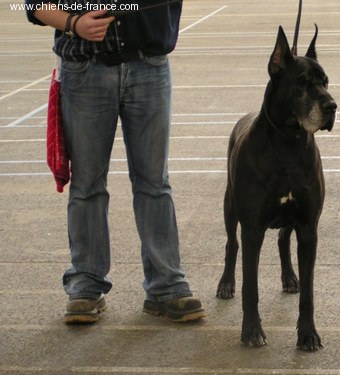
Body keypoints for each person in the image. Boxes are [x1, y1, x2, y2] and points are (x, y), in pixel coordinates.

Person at [26, 0, 206, 324]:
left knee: (155, 183)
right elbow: (34, 4)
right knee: (87, 185)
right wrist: (73, 23)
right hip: (84, 69)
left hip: (149, 65)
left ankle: (166, 287)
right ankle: (85, 286)